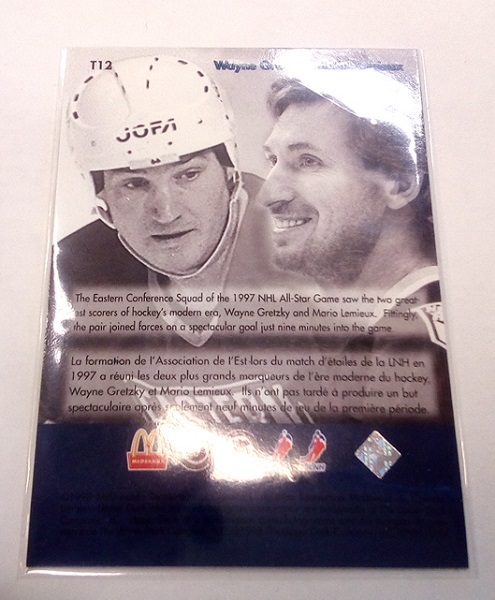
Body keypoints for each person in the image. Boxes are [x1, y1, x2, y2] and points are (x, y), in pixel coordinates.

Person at [52, 54, 284, 347]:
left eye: (188, 175)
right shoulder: (72, 272)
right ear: (104, 205)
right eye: (135, 184)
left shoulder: (313, 249)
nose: (166, 213)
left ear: (231, 178)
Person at [259, 70, 437, 298]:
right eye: (273, 160)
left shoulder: (435, 312)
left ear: (400, 185)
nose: (267, 195)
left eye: (308, 161)